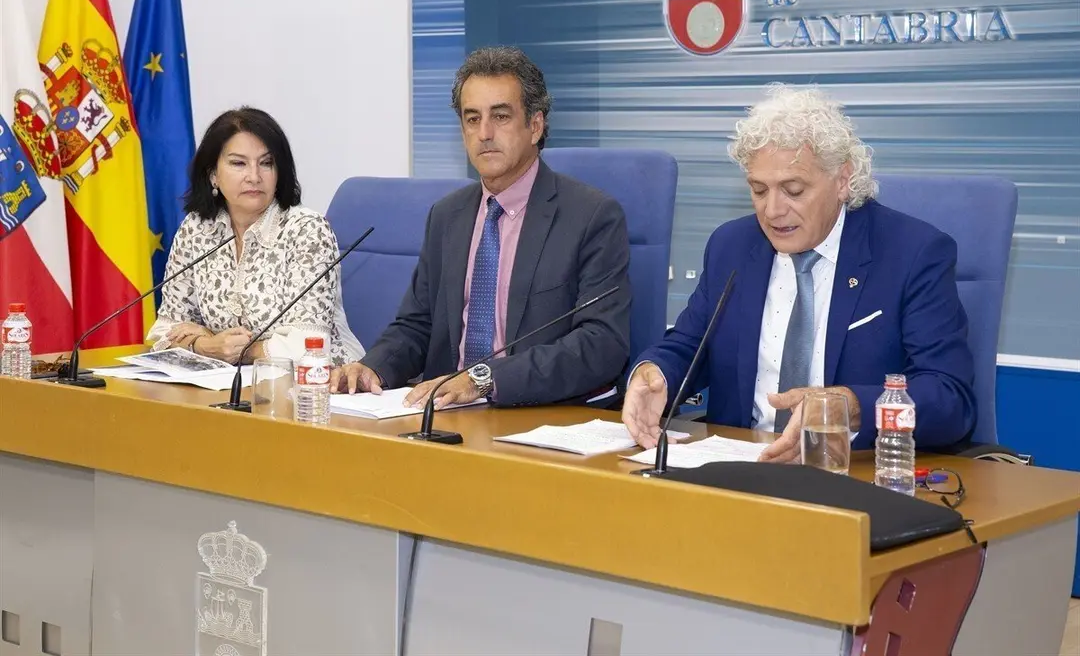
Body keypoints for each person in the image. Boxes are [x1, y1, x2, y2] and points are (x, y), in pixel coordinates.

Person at [622, 84, 976, 460]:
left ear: (842, 180)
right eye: (759, 190)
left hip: (851, 470)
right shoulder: (732, 246)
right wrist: (656, 373)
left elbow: (949, 397)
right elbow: (690, 346)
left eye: (793, 190)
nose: (773, 211)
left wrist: (849, 405)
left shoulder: (912, 253)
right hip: (739, 466)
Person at [331, 46, 631, 408]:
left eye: (500, 116)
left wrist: (484, 379)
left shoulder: (591, 216)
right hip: (445, 416)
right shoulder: (447, 216)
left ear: (535, 126)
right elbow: (418, 325)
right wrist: (373, 367)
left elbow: (601, 344)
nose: (484, 133)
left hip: (537, 413)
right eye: (472, 119)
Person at [146, 107, 364, 366]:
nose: (254, 177)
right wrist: (205, 346)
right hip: (232, 381)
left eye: (266, 163)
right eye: (238, 163)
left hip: (321, 381)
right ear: (213, 174)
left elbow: (308, 345)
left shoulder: (307, 230)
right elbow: (164, 332)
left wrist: (233, 349)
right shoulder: (197, 229)